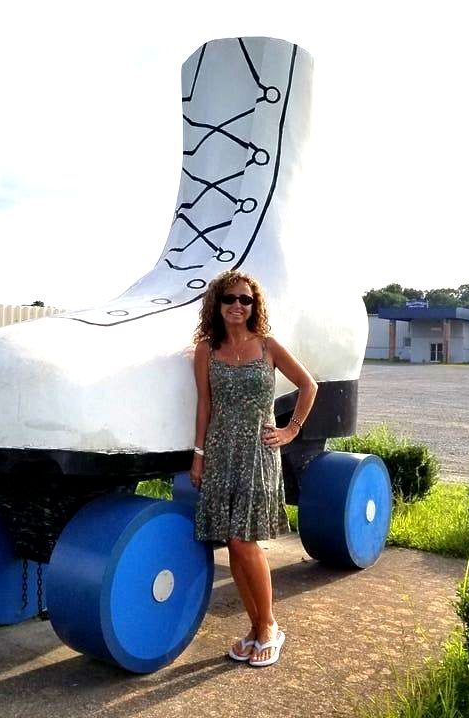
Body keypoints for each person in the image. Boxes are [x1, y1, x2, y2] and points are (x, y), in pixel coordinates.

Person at [190, 270, 318, 668]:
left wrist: (290, 430)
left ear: (254, 305)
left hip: (258, 453)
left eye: (245, 300)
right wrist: (198, 454)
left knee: (245, 542)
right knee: (232, 545)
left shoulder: (268, 346)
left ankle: (269, 628)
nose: (237, 306)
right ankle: (255, 627)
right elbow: (204, 405)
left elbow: (308, 385)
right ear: (218, 304)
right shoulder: (205, 350)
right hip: (220, 454)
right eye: (230, 299)